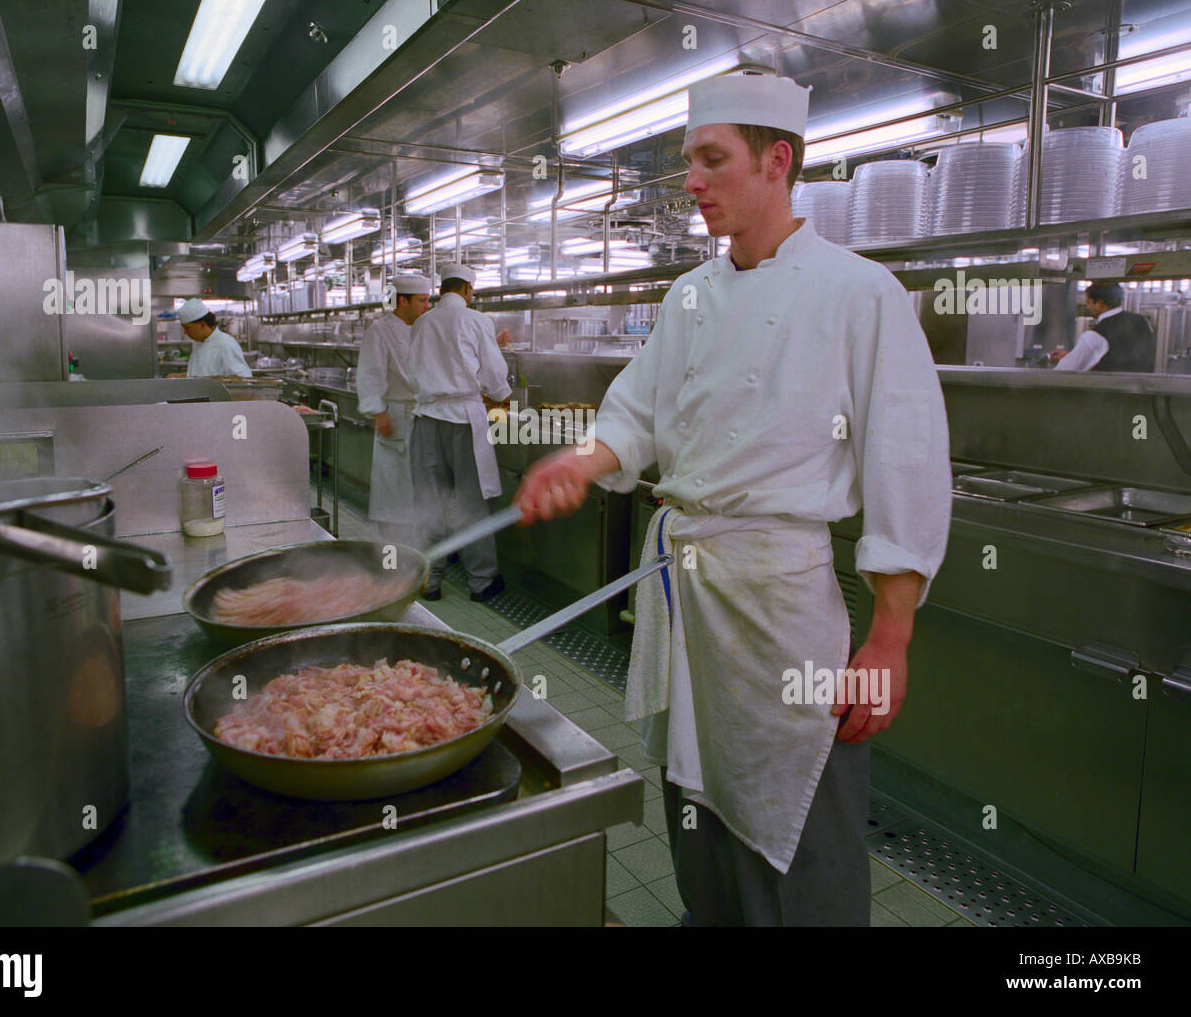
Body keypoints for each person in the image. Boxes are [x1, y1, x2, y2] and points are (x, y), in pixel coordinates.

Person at [514, 73, 951, 926]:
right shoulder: (691, 295)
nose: (691, 181)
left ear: (777, 161)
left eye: (712, 160)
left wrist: (889, 640)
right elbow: (638, 411)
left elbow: (909, 462)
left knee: (796, 808)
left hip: (779, 604)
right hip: (689, 598)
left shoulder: (860, 293)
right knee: (693, 792)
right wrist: (580, 459)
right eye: (689, 161)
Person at [407, 263, 511, 602]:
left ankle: (431, 580)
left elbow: (415, 373)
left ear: (441, 290)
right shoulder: (476, 320)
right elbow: (494, 372)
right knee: (471, 503)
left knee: (430, 502)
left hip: (425, 419)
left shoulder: (422, 323)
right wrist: (502, 396)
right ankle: (481, 583)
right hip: (463, 421)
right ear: (467, 289)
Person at [356, 274, 431, 545]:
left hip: (423, 416)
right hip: (396, 418)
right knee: (393, 489)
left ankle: (419, 547)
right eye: (422, 300)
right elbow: (369, 376)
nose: (427, 306)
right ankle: (390, 549)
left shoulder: (425, 328)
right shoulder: (379, 331)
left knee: (420, 489)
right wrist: (378, 411)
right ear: (403, 300)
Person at [1051, 282, 1155, 371]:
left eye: (1089, 302)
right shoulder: (1142, 320)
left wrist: (1070, 359)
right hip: (1144, 390)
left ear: (1100, 303)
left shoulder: (1095, 335)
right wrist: (1072, 356)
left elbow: (1066, 369)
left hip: (1110, 393)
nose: (1087, 307)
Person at [170, 299, 252, 378]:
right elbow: (202, 373)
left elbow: (243, 378)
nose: (185, 332)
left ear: (202, 324)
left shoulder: (225, 343)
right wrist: (182, 376)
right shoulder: (198, 342)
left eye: (187, 328)